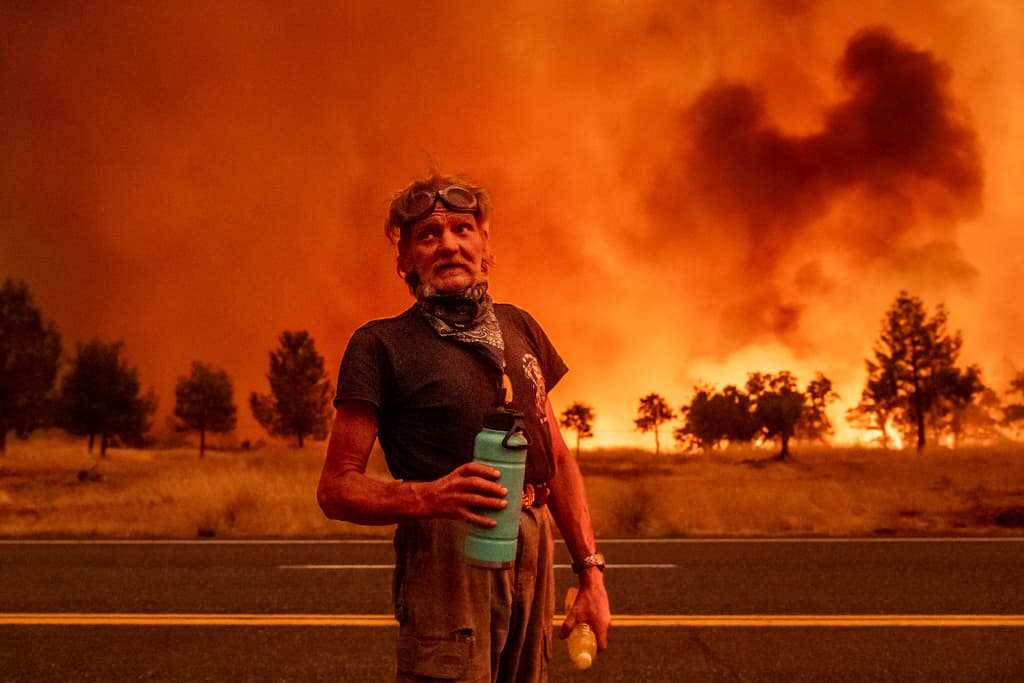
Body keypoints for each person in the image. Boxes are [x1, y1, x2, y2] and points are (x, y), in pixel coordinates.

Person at [317, 172, 611, 682]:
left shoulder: (520, 326)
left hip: (532, 541)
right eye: (428, 235)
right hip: (446, 552)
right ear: (406, 258)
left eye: (462, 229)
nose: (449, 244)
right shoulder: (380, 345)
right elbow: (336, 488)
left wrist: (591, 574)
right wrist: (430, 498)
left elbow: (558, 458)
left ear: (484, 243)